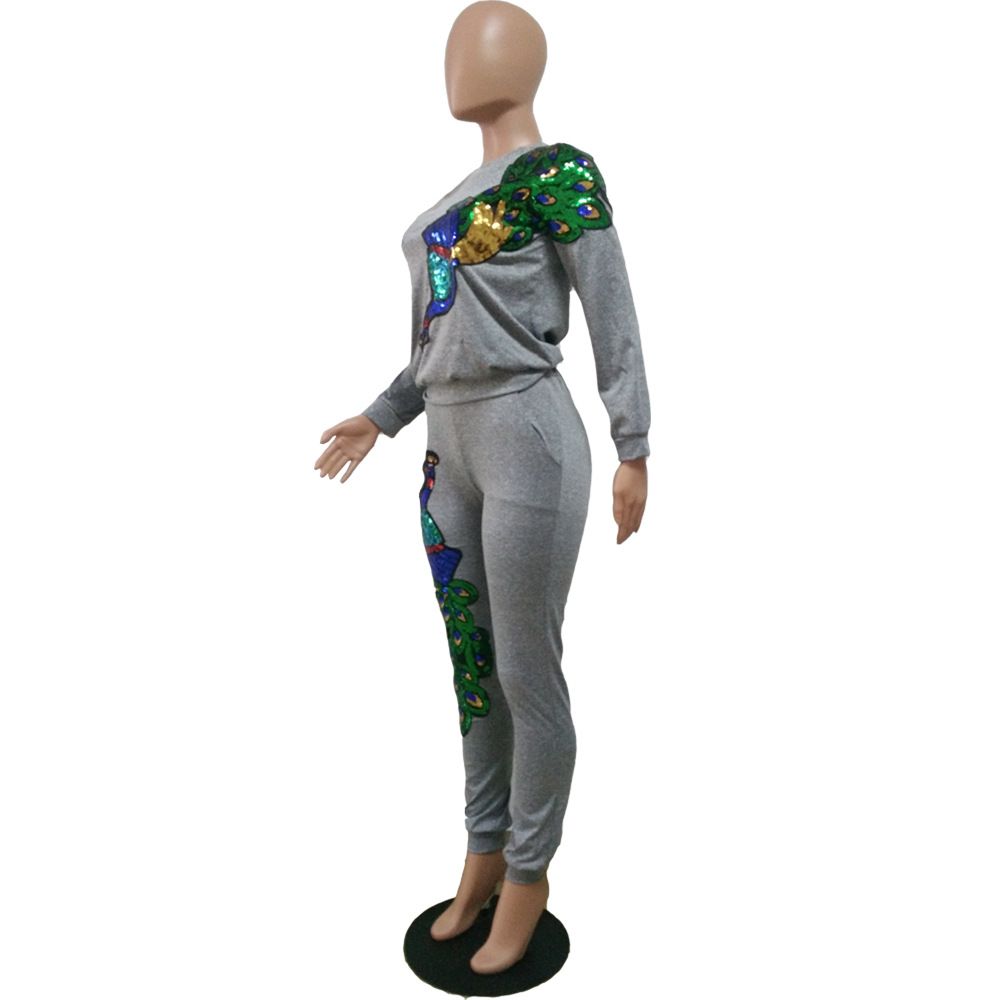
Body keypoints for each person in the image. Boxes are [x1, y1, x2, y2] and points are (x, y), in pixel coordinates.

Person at [313, 0, 650, 976]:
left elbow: (612, 307)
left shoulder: (559, 174)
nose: (458, 59)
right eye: (455, 43)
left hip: (527, 435)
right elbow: (437, 339)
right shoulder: (448, 200)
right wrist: (381, 413)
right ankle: (483, 850)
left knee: (527, 669)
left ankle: (530, 876)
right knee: (474, 664)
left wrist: (633, 444)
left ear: (525, 61)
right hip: (445, 449)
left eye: (479, 40)